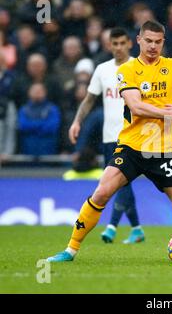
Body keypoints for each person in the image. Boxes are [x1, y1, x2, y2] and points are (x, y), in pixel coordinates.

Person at [46, 20, 172, 262]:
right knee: (101, 193)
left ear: (163, 42)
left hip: (165, 152)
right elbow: (135, 106)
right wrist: (171, 113)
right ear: (139, 41)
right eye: (149, 41)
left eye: (158, 42)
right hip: (131, 147)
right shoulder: (127, 70)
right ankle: (70, 250)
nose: (153, 46)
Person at [66, 27, 145, 245]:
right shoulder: (102, 70)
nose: (118, 48)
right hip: (109, 137)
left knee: (119, 182)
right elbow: (89, 100)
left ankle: (112, 227)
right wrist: (76, 121)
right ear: (109, 45)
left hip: (132, 136)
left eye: (122, 43)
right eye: (114, 44)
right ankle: (136, 228)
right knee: (119, 183)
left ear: (130, 43)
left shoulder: (139, 68)